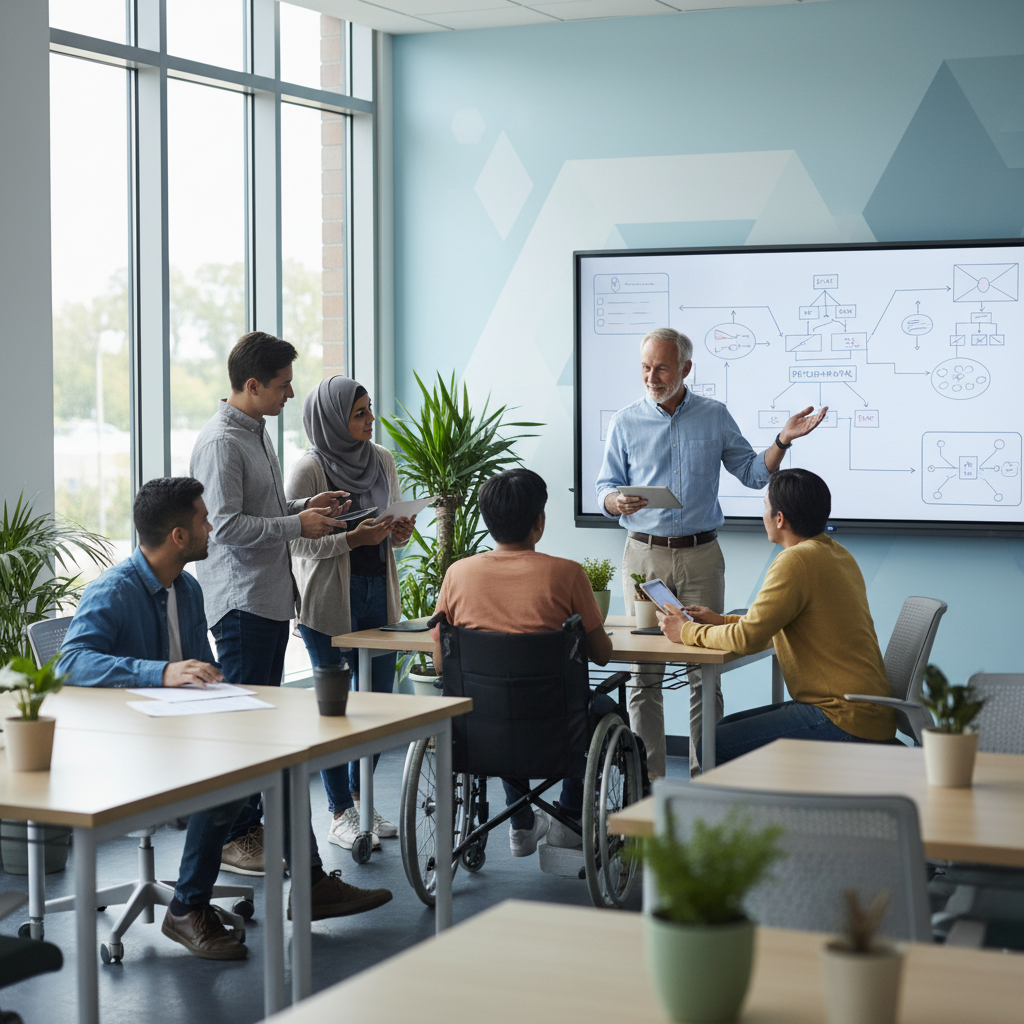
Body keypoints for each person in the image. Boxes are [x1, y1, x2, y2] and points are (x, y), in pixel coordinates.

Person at [59, 478, 391, 959]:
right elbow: (69, 663)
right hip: (128, 743)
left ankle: (311, 883)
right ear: (178, 536)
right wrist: (162, 673)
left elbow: (197, 668)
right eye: (203, 519)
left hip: (180, 731)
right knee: (227, 781)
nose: (211, 527)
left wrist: (216, 688)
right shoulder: (114, 592)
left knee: (282, 759)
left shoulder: (189, 588)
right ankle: (186, 908)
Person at [596, 326, 827, 777]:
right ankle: (650, 783)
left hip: (701, 555)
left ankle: (708, 778)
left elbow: (753, 474)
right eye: (645, 367)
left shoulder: (715, 415)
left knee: (706, 669)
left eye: (661, 367)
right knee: (646, 677)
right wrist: (614, 501)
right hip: (645, 556)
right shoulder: (624, 421)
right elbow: (606, 487)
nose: (652, 376)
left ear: (685, 368)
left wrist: (782, 440)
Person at [190, 330, 350, 876]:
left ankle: (248, 828)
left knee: (257, 721)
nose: (289, 395)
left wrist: (305, 505)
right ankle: (235, 838)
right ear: (252, 385)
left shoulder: (256, 432)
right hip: (241, 602)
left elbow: (266, 507)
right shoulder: (220, 443)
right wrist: (293, 522)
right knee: (244, 730)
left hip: (269, 597)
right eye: (281, 386)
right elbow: (225, 526)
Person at [431, 468, 615, 856]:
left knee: (498, 701)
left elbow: (440, 663)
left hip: (482, 728)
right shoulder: (566, 574)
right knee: (604, 711)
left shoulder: (457, 574)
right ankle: (568, 816)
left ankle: (521, 822)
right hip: (556, 726)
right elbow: (601, 654)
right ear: (539, 522)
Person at [658, 468, 896, 763]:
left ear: (780, 518)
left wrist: (685, 632)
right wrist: (722, 621)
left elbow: (747, 639)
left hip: (841, 716)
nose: (764, 515)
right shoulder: (835, 553)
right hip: (867, 711)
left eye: (765, 508)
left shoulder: (795, 560)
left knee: (714, 744)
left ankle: (758, 810)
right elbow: (776, 622)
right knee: (722, 730)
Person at [286, 376, 416, 851]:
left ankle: (359, 797)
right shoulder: (309, 469)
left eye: (369, 410)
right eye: (359, 413)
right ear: (332, 418)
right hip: (328, 599)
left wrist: (398, 532)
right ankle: (339, 811)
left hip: (377, 592)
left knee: (378, 702)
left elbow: (391, 531)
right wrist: (351, 539)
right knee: (336, 711)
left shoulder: (381, 459)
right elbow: (296, 540)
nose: (369, 420)